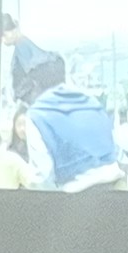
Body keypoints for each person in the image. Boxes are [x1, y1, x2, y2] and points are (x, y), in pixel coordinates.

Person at [21, 53, 120, 188]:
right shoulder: (92, 102)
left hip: (77, 193)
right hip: (114, 184)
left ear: (34, 84)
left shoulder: (36, 115)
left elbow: (43, 177)